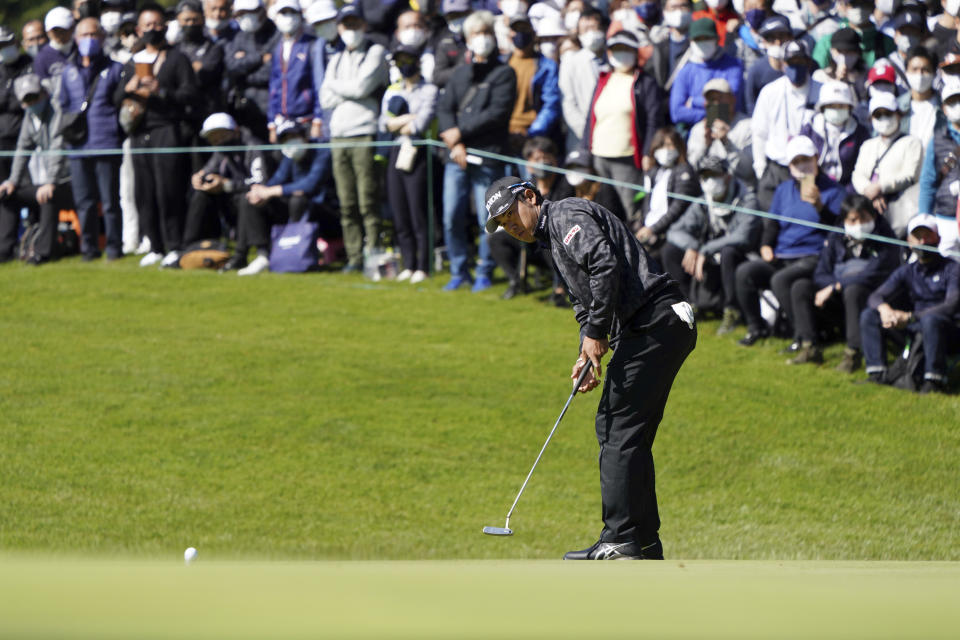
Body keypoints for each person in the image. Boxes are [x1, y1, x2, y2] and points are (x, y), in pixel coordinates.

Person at [482, 175, 697, 560]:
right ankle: (643, 541)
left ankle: (620, 538)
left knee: (615, 425)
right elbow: (585, 302)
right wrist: (588, 350)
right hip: (652, 326)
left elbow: (604, 264)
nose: (510, 226)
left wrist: (597, 333)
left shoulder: (565, 214)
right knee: (628, 434)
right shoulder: (552, 241)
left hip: (656, 320)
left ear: (530, 197)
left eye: (511, 215)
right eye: (502, 224)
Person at [735, 135, 845, 346]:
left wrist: (820, 207)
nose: (802, 166)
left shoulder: (834, 190)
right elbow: (773, 224)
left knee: (781, 280)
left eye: (806, 159)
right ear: (790, 166)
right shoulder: (783, 189)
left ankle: (801, 336)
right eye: (796, 162)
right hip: (783, 254)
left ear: (816, 158)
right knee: (745, 272)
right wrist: (766, 244)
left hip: (814, 256)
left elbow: (839, 231)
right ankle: (756, 328)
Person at [436, 10, 516, 291]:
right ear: (467, 40)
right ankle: (459, 269)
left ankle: (485, 268)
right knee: (451, 215)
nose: (481, 39)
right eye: (476, 34)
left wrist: (461, 133)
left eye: (486, 33)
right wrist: (455, 142)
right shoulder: (459, 74)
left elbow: (496, 113)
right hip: (455, 157)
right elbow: (444, 109)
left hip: (487, 154)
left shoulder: (505, 72)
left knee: (489, 217)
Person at [114, 4, 199, 268]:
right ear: (139, 29)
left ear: (165, 25)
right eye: (147, 26)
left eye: (157, 24)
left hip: (167, 129)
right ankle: (155, 244)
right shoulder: (133, 61)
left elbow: (190, 95)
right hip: (139, 132)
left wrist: (161, 91)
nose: (153, 30)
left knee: (168, 190)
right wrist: (129, 88)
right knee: (144, 192)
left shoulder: (177, 58)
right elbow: (115, 98)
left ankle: (174, 244)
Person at [787, 194, 899, 368]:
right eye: (853, 220)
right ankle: (809, 346)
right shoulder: (836, 236)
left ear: (874, 216)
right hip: (837, 299)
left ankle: (853, 354)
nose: (859, 225)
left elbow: (874, 274)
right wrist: (833, 286)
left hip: (869, 299)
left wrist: (836, 286)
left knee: (854, 289)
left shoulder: (886, 237)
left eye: (864, 218)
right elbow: (821, 272)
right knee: (800, 287)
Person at [320, 2, 388, 272]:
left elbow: (363, 87)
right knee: (346, 202)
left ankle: (373, 253)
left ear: (364, 25)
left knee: (367, 199)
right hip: (339, 135)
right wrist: (344, 89)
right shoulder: (335, 58)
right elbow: (324, 98)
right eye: (346, 25)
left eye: (355, 25)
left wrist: (337, 87)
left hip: (364, 132)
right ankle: (353, 256)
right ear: (339, 27)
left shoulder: (376, 51)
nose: (351, 30)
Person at [860, 214, 960, 393]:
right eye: (917, 236)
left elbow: (951, 305)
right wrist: (885, 310)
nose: (922, 241)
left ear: (938, 239)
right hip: (914, 328)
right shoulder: (907, 271)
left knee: (931, 321)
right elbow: (875, 296)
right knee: (870, 314)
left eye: (927, 236)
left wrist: (911, 317)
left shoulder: (953, 268)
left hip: (947, 330)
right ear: (909, 241)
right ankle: (877, 374)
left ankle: (934, 381)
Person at [663, 155, 761, 327]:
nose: (709, 181)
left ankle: (732, 311)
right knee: (670, 250)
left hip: (743, 255)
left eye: (714, 175)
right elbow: (674, 231)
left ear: (727, 176)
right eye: (705, 176)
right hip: (709, 255)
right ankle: (687, 305)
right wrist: (693, 247)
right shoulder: (703, 202)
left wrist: (705, 248)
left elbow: (743, 237)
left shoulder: (748, 199)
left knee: (728, 251)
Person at [59, 17, 125, 261]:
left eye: (94, 34)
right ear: (76, 39)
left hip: (107, 142)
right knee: (84, 202)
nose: (89, 40)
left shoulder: (116, 69)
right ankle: (88, 249)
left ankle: (115, 248)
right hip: (78, 145)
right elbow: (64, 105)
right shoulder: (69, 71)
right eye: (84, 35)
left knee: (109, 202)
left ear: (103, 38)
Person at [231, 120, 333, 275]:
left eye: (294, 136)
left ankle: (296, 253)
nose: (290, 141)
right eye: (285, 139)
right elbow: (277, 179)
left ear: (304, 136)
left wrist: (272, 191)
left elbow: (310, 185)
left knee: (298, 200)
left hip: (325, 211)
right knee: (250, 200)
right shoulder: (290, 156)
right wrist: (261, 191)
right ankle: (263, 255)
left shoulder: (321, 151)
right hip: (294, 208)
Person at [583, 29, 664, 220]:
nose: (621, 54)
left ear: (636, 53)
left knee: (631, 210)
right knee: (600, 209)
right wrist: (585, 151)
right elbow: (591, 118)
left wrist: (647, 152)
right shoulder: (603, 79)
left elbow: (654, 120)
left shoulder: (645, 83)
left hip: (627, 159)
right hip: (599, 156)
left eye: (626, 49)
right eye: (616, 49)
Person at [379, 44, 438, 284]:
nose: (404, 65)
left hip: (418, 151)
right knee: (399, 210)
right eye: (399, 61)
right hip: (397, 150)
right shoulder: (393, 89)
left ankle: (422, 265)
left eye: (407, 60)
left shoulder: (430, 90)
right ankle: (408, 263)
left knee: (417, 211)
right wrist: (407, 119)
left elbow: (420, 124)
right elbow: (383, 124)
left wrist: (400, 122)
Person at [488, 137, 574, 300]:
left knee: (550, 238)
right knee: (496, 239)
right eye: (536, 159)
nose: (542, 163)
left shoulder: (566, 185)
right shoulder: (526, 187)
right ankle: (516, 281)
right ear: (528, 164)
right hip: (531, 242)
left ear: (555, 160)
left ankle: (562, 289)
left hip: (557, 243)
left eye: (545, 158)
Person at [0, 74, 72, 265]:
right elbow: (22, 149)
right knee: (8, 194)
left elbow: (58, 150)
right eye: (27, 100)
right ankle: (5, 250)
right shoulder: (29, 117)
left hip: (66, 182)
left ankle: (43, 252)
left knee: (47, 196)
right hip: (47, 182)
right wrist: (12, 181)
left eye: (34, 97)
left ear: (44, 94)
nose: (32, 103)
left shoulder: (56, 112)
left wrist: (50, 182)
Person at [185, 112, 271, 249]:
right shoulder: (221, 149)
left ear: (235, 131)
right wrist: (200, 178)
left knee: (246, 198)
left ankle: (246, 252)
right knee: (201, 195)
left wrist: (227, 185)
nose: (217, 141)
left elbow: (260, 182)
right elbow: (209, 169)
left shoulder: (253, 146)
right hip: (231, 198)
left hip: (257, 200)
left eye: (221, 135)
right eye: (212, 138)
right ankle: (188, 246)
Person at [751, 39, 819, 211]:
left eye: (800, 62)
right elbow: (759, 133)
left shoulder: (822, 91)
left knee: (805, 217)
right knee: (771, 221)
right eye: (791, 62)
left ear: (808, 63)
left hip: (808, 168)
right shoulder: (770, 91)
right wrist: (761, 168)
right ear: (782, 64)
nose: (795, 67)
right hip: (777, 168)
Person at [851, 91, 923, 236]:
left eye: (888, 113)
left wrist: (881, 187)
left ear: (899, 115)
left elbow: (910, 176)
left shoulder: (911, 142)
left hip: (900, 210)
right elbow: (857, 174)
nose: (883, 119)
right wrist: (869, 190)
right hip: (870, 206)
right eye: (878, 115)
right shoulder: (868, 145)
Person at [669, 18, 743, 127]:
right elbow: (676, 113)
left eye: (707, 38)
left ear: (717, 39)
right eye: (698, 39)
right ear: (691, 41)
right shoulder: (685, 71)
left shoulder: (733, 66)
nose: (703, 42)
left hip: (730, 128)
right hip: (695, 134)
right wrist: (711, 114)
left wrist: (694, 102)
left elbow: (731, 105)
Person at [634, 127, 700, 250]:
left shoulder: (684, 171)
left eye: (670, 145)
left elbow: (678, 207)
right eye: (661, 146)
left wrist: (653, 229)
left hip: (669, 231)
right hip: (648, 228)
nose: (666, 150)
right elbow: (646, 203)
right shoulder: (655, 171)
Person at [224, 0, 280, 141]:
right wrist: (259, 58)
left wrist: (244, 71)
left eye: (250, 12)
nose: (245, 16)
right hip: (245, 109)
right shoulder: (239, 36)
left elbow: (272, 72)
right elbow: (231, 66)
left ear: (262, 11)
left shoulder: (277, 34)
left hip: (271, 108)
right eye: (241, 13)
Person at [917, 80, 960, 258]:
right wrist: (924, 218)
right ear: (944, 108)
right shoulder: (937, 138)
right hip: (946, 218)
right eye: (952, 102)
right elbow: (928, 181)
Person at [267, 0, 320, 143]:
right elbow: (274, 86)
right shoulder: (277, 47)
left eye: (292, 12)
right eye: (283, 13)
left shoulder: (311, 44)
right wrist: (271, 121)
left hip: (306, 119)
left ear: (300, 15)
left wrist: (318, 119)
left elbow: (317, 85)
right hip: (282, 121)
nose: (288, 17)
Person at [799, 79, 869, 186]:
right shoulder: (810, 129)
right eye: (831, 106)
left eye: (841, 106)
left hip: (847, 189)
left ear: (849, 107)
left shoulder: (859, 132)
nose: (836, 110)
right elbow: (800, 160)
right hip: (814, 185)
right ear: (823, 108)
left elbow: (863, 167)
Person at [685, 77, 752, 180]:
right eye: (711, 99)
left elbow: (748, 171)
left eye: (720, 98)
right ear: (705, 104)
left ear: (732, 99)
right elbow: (690, 172)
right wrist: (705, 145)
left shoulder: (747, 126)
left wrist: (727, 143)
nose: (716, 104)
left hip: (741, 191)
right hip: (707, 191)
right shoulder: (699, 130)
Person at [558, 7, 604, 149]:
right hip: (581, 134)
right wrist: (585, 131)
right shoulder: (571, 61)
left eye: (593, 28)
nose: (590, 33)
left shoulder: (612, 62)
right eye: (585, 29)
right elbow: (568, 101)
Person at [811, 0, 895, 69]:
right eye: (853, 4)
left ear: (873, 5)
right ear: (843, 6)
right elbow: (817, 78)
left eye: (864, 3)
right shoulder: (827, 42)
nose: (859, 8)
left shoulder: (888, 42)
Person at [0, 26, 33, 185]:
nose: (4, 49)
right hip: (1, 141)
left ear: (16, 42)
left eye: (7, 44)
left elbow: (25, 100)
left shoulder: (29, 64)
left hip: (25, 139)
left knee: (27, 187)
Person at [743, 13, 789, 114]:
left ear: (791, 37)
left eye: (782, 36)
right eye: (771, 38)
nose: (778, 42)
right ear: (763, 41)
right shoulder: (756, 70)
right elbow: (750, 104)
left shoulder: (803, 63)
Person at [644, 0, 692, 91]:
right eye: (673, 8)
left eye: (683, 6)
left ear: (691, 9)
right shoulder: (658, 47)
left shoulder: (699, 45)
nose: (679, 12)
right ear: (664, 12)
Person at [902, 46, 939, 156]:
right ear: (906, 72)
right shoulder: (897, 106)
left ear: (934, 73)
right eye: (914, 69)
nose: (920, 75)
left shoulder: (944, 107)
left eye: (926, 70)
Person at [431, 0, 470, 89]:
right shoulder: (445, 42)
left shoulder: (483, 37)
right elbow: (437, 77)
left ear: (470, 12)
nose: (455, 19)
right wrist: (464, 69)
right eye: (451, 16)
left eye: (459, 14)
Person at [35, 6, 78, 86]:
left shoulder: (81, 48)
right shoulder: (42, 58)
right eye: (55, 31)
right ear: (48, 32)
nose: (60, 35)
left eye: (63, 30)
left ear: (72, 28)